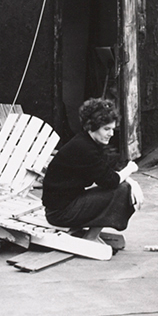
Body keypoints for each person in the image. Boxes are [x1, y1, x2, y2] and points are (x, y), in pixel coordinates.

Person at [42, 97, 143, 241]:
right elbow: (111, 181)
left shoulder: (87, 142)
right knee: (121, 190)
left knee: (123, 187)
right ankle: (91, 237)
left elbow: (107, 172)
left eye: (112, 129)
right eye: (106, 129)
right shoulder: (84, 148)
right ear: (92, 126)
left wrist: (132, 182)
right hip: (60, 213)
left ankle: (91, 234)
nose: (111, 134)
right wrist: (130, 169)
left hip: (65, 206)